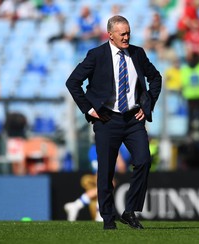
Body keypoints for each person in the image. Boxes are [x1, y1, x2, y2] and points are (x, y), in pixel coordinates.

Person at [66, 15, 162, 230]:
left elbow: (156, 78)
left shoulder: (137, 53)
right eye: (122, 34)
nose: (127, 37)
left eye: (128, 33)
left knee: (144, 161)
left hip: (133, 119)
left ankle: (129, 211)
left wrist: (147, 107)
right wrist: (90, 109)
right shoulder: (96, 55)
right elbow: (73, 82)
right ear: (110, 35)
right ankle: (108, 219)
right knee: (106, 170)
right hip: (107, 119)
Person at [64, 143, 128, 222]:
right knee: (105, 186)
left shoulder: (96, 148)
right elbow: (120, 167)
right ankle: (79, 206)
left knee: (104, 188)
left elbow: (121, 168)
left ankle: (78, 205)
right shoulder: (98, 148)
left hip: (108, 174)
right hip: (106, 174)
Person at [180, 54, 199, 134]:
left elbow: (184, 81)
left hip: (193, 95)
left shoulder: (185, 68)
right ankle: (198, 131)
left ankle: (192, 131)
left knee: (194, 115)